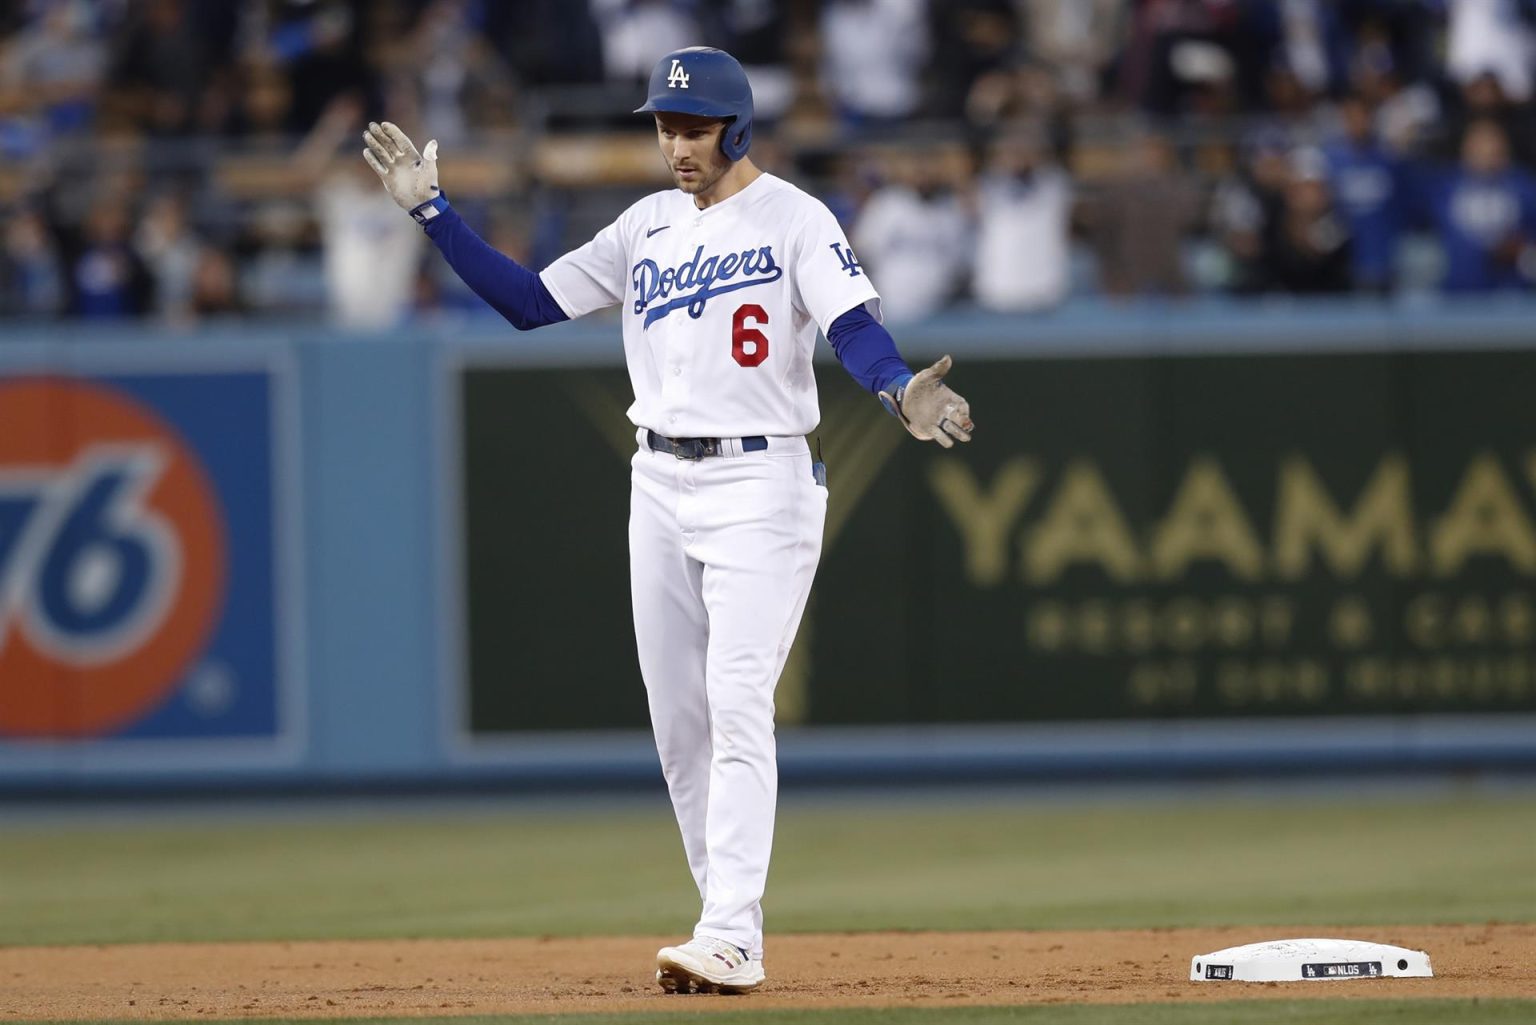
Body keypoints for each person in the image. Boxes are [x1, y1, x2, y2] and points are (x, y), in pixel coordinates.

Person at [362, 46, 973, 993]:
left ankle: (730, 931)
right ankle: (725, 926)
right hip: (659, 481)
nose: (675, 143)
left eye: (691, 127)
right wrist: (431, 212)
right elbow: (530, 304)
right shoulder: (644, 223)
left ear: (736, 128)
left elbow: (852, 327)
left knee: (735, 700)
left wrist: (897, 390)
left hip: (761, 485)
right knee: (679, 725)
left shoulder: (795, 218)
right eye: (663, 125)